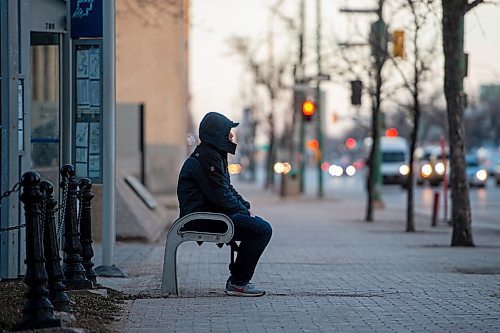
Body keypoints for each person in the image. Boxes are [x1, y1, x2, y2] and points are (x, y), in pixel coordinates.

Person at [177, 112, 272, 297]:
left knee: (257, 226)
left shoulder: (212, 155)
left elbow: (226, 188)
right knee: (262, 230)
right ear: (217, 134)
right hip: (201, 218)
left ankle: (238, 280)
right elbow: (220, 195)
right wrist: (244, 211)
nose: (231, 136)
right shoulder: (207, 158)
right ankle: (238, 282)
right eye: (228, 132)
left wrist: (246, 206)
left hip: (211, 214)